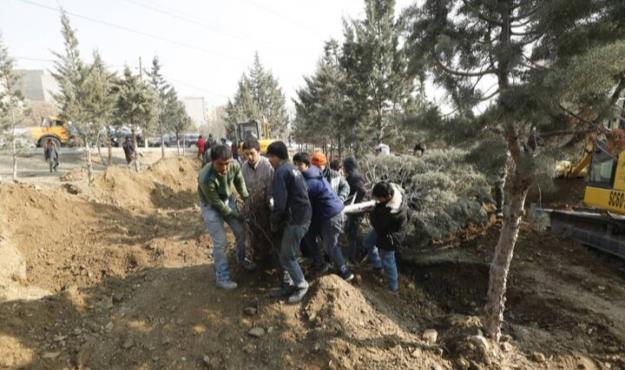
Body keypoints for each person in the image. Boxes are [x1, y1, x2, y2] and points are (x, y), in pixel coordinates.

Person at [198, 145, 256, 290]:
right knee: (221, 241)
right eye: (220, 164)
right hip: (211, 205)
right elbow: (218, 205)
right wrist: (239, 214)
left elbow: (239, 181)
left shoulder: (234, 165)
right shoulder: (206, 178)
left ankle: (241, 259)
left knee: (241, 232)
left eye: (226, 163)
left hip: (227, 198)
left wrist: (247, 199)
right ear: (212, 162)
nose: (224, 168)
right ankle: (222, 278)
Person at [294, 152, 354, 281]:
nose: (297, 167)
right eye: (296, 164)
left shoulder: (309, 183)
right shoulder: (313, 172)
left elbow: (303, 204)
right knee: (309, 235)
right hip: (320, 214)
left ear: (307, 164)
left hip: (331, 215)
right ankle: (320, 263)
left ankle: (345, 272)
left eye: (300, 164)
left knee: (330, 245)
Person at [266, 141, 312, 304]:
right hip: (303, 216)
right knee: (287, 254)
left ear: (276, 157)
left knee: (287, 256)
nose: (269, 160)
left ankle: (301, 285)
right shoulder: (292, 168)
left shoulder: (280, 173)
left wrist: (274, 221)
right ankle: (288, 285)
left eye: (270, 157)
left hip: (296, 220)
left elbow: (280, 203)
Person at [363, 182, 408, 293]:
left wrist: (371, 213)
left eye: (379, 199)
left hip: (391, 236)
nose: (377, 200)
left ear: (387, 197)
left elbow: (378, 225)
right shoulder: (393, 188)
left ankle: (393, 287)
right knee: (368, 242)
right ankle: (377, 266)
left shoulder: (393, 212)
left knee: (388, 260)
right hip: (385, 229)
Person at [241, 137, 274, 263]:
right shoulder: (244, 168)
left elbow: (272, 187)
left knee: (268, 233)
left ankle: (270, 256)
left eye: (252, 153)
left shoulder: (268, 165)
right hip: (252, 206)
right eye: (246, 154)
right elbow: (244, 189)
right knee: (252, 233)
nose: (249, 157)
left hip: (267, 205)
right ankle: (253, 257)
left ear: (259, 152)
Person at [343, 157, 368, 263]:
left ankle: (353, 257)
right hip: (355, 209)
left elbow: (362, 191)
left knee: (353, 232)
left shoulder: (354, 176)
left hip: (357, 210)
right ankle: (356, 252)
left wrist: (355, 203)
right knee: (350, 230)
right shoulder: (355, 174)